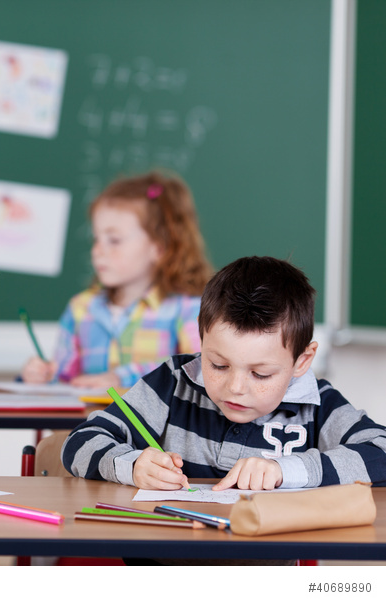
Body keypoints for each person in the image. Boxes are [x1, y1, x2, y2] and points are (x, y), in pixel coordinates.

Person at [62, 256, 386, 491]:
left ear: (302, 360)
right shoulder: (173, 381)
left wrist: (284, 470)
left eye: (261, 374)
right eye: (218, 365)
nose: (235, 388)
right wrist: (131, 466)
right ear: (201, 341)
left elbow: (381, 450)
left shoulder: (317, 405)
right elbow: (79, 442)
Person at [21, 171, 212, 390]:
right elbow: (64, 378)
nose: (97, 251)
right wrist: (42, 375)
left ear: (158, 247)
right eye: (96, 239)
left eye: (114, 240)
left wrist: (122, 377)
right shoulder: (81, 308)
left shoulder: (187, 309)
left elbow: (199, 369)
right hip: (92, 423)